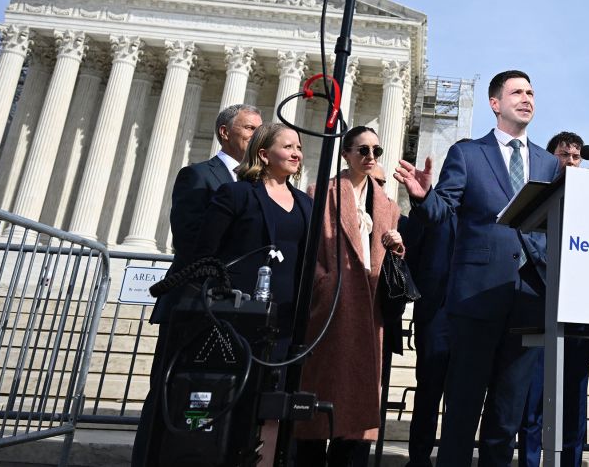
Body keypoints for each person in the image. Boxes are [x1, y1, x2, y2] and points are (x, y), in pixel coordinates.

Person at [394, 70, 561, 467]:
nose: (527, 98)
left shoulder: (549, 163)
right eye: (517, 92)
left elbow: (554, 228)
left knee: (506, 417)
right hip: (476, 300)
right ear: (495, 103)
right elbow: (441, 212)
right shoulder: (468, 154)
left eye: (531, 92)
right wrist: (422, 197)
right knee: (462, 412)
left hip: (528, 301)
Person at [133, 104, 262, 467]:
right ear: (225, 133)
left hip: (235, 310)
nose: (257, 136)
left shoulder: (256, 185)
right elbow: (189, 241)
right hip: (194, 303)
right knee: (168, 392)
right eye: (250, 128)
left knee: (219, 396)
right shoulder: (198, 176)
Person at [292, 126, 405, 467]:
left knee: (359, 406)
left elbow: (387, 259)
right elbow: (307, 250)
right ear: (346, 154)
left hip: (369, 309)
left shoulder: (388, 205)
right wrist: (324, 283)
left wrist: (397, 247)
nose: (371, 157)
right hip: (331, 305)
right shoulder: (321, 193)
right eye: (363, 150)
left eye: (376, 151)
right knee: (319, 397)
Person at [519, 130, 589, 467]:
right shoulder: (537, 195)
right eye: (564, 154)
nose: (570, 161)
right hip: (540, 305)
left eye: (576, 156)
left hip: (579, 314)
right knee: (534, 401)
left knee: (573, 401)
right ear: (550, 156)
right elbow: (529, 242)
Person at [194, 122, 311, 353]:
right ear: (264, 154)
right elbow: (205, 252)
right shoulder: (236, 194)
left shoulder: (306, 203)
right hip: (236, 310)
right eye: (288, 146)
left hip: (287, 316)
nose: (296, 153)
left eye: (298, 147)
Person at [399, 141, 463, 467]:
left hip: (474, 316)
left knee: (461, 396)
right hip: (436, 314)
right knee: (428, 392)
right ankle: (419, 460)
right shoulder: (429, 205)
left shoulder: (489, 209)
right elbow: (411, 255)